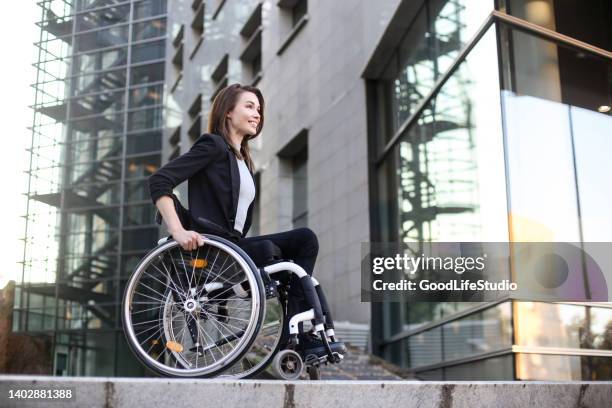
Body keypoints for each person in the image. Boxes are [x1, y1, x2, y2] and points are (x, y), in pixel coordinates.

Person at [148, 83, 331, 353]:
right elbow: (160, 180)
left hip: (234, 246)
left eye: (259, 109)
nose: (257, 113)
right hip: (214, 248)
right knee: (277, 250)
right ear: (228, 112)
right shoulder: (213, 146)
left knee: (305, 240)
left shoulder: (243, 161)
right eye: (249, 106)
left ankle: (295, 335)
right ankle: (295, 338)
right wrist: (178, 231)